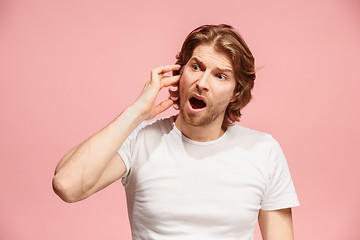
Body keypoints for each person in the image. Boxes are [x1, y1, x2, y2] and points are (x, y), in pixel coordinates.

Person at [53, 24, 299, 240]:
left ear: (236, 92)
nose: (202, 83)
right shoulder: (140, 140)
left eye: (220, 76)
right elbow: (67, 185)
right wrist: (136, 111)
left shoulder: (263, 151)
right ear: (179, 74)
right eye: (196, 67)